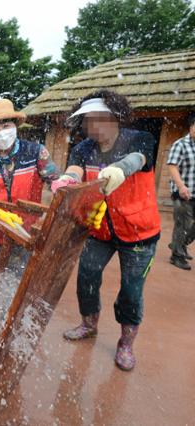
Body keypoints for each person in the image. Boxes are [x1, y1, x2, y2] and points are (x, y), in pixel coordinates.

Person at [52, 89, 160, 371]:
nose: (94, 127)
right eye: (89, 120)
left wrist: (121, 168)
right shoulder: (84, 147)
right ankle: (89, 323)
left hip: (138, 232)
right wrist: (67, 179)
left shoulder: (140, 139)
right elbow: (75, 168)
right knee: (86, 275)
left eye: (102, 119)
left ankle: (126, 342)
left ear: (116, 118)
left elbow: (139, 158)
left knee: (131, 290)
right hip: (99, 228)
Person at [0, 99, 59, 313]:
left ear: (15, 126)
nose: (1, 132)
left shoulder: (36, 153)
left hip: (24, 236)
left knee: (19, 289)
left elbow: (56, 182)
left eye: (6, 125)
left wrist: (64, 189)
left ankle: (9, 333)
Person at [166, 112, 195, 270]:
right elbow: (172, 166)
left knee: (190, 227)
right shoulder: (180, 144)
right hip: (182, 192)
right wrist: (181, 186)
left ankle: (179, 244)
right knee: (182, 224)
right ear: (191, 127)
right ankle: (176, 256)